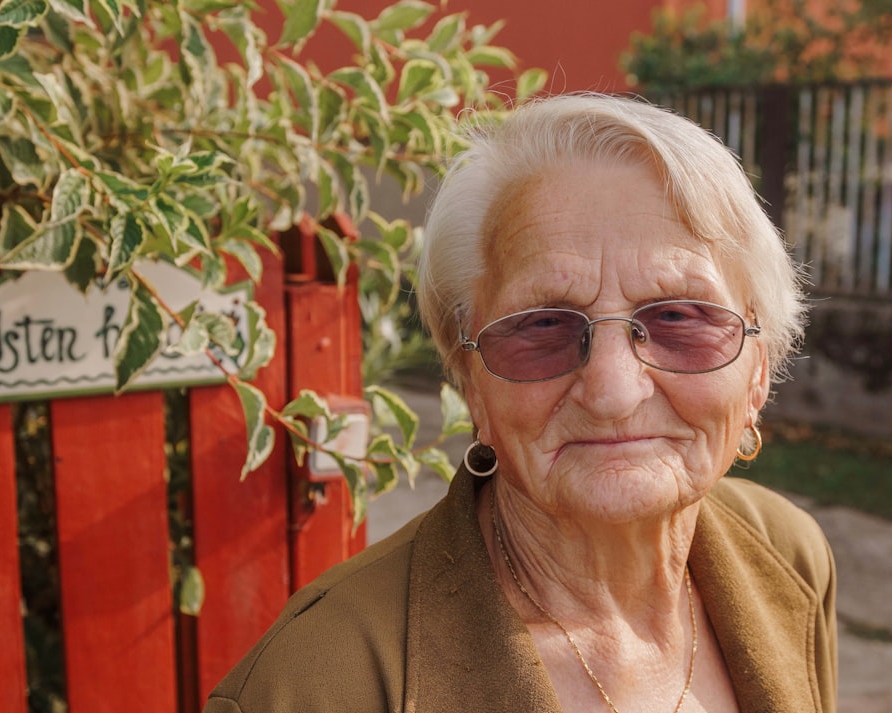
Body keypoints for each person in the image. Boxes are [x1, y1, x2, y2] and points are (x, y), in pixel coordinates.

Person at [204, 93, 837, 713]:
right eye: (542, 327)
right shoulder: (312, 686)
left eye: (678, 318)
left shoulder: (789, 555)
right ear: (469, 377)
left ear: (759, 368)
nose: (614, 392)